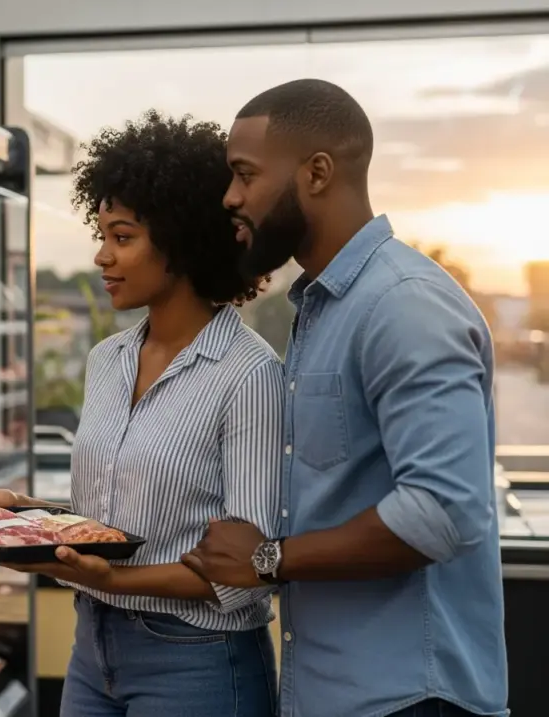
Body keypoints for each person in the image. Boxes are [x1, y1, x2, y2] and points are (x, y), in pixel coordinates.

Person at [181, 79, 508, 717]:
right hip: (333, 694)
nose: (230, 197)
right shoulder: (323, 308)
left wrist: (268, 559)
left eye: (245, 174)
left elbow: (443, 512)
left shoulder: (403, 305)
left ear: (317, 172)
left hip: (411, 700)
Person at [0, 110, 282, 717]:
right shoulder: (107, 360)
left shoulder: (249, 374)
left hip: (197, 660)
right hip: (93, 647)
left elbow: (246, 567)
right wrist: (25, 513)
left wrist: (115, 581)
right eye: (103, 235)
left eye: (122, 237)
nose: (101, 256)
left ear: (181, 242)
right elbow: (111, 518)